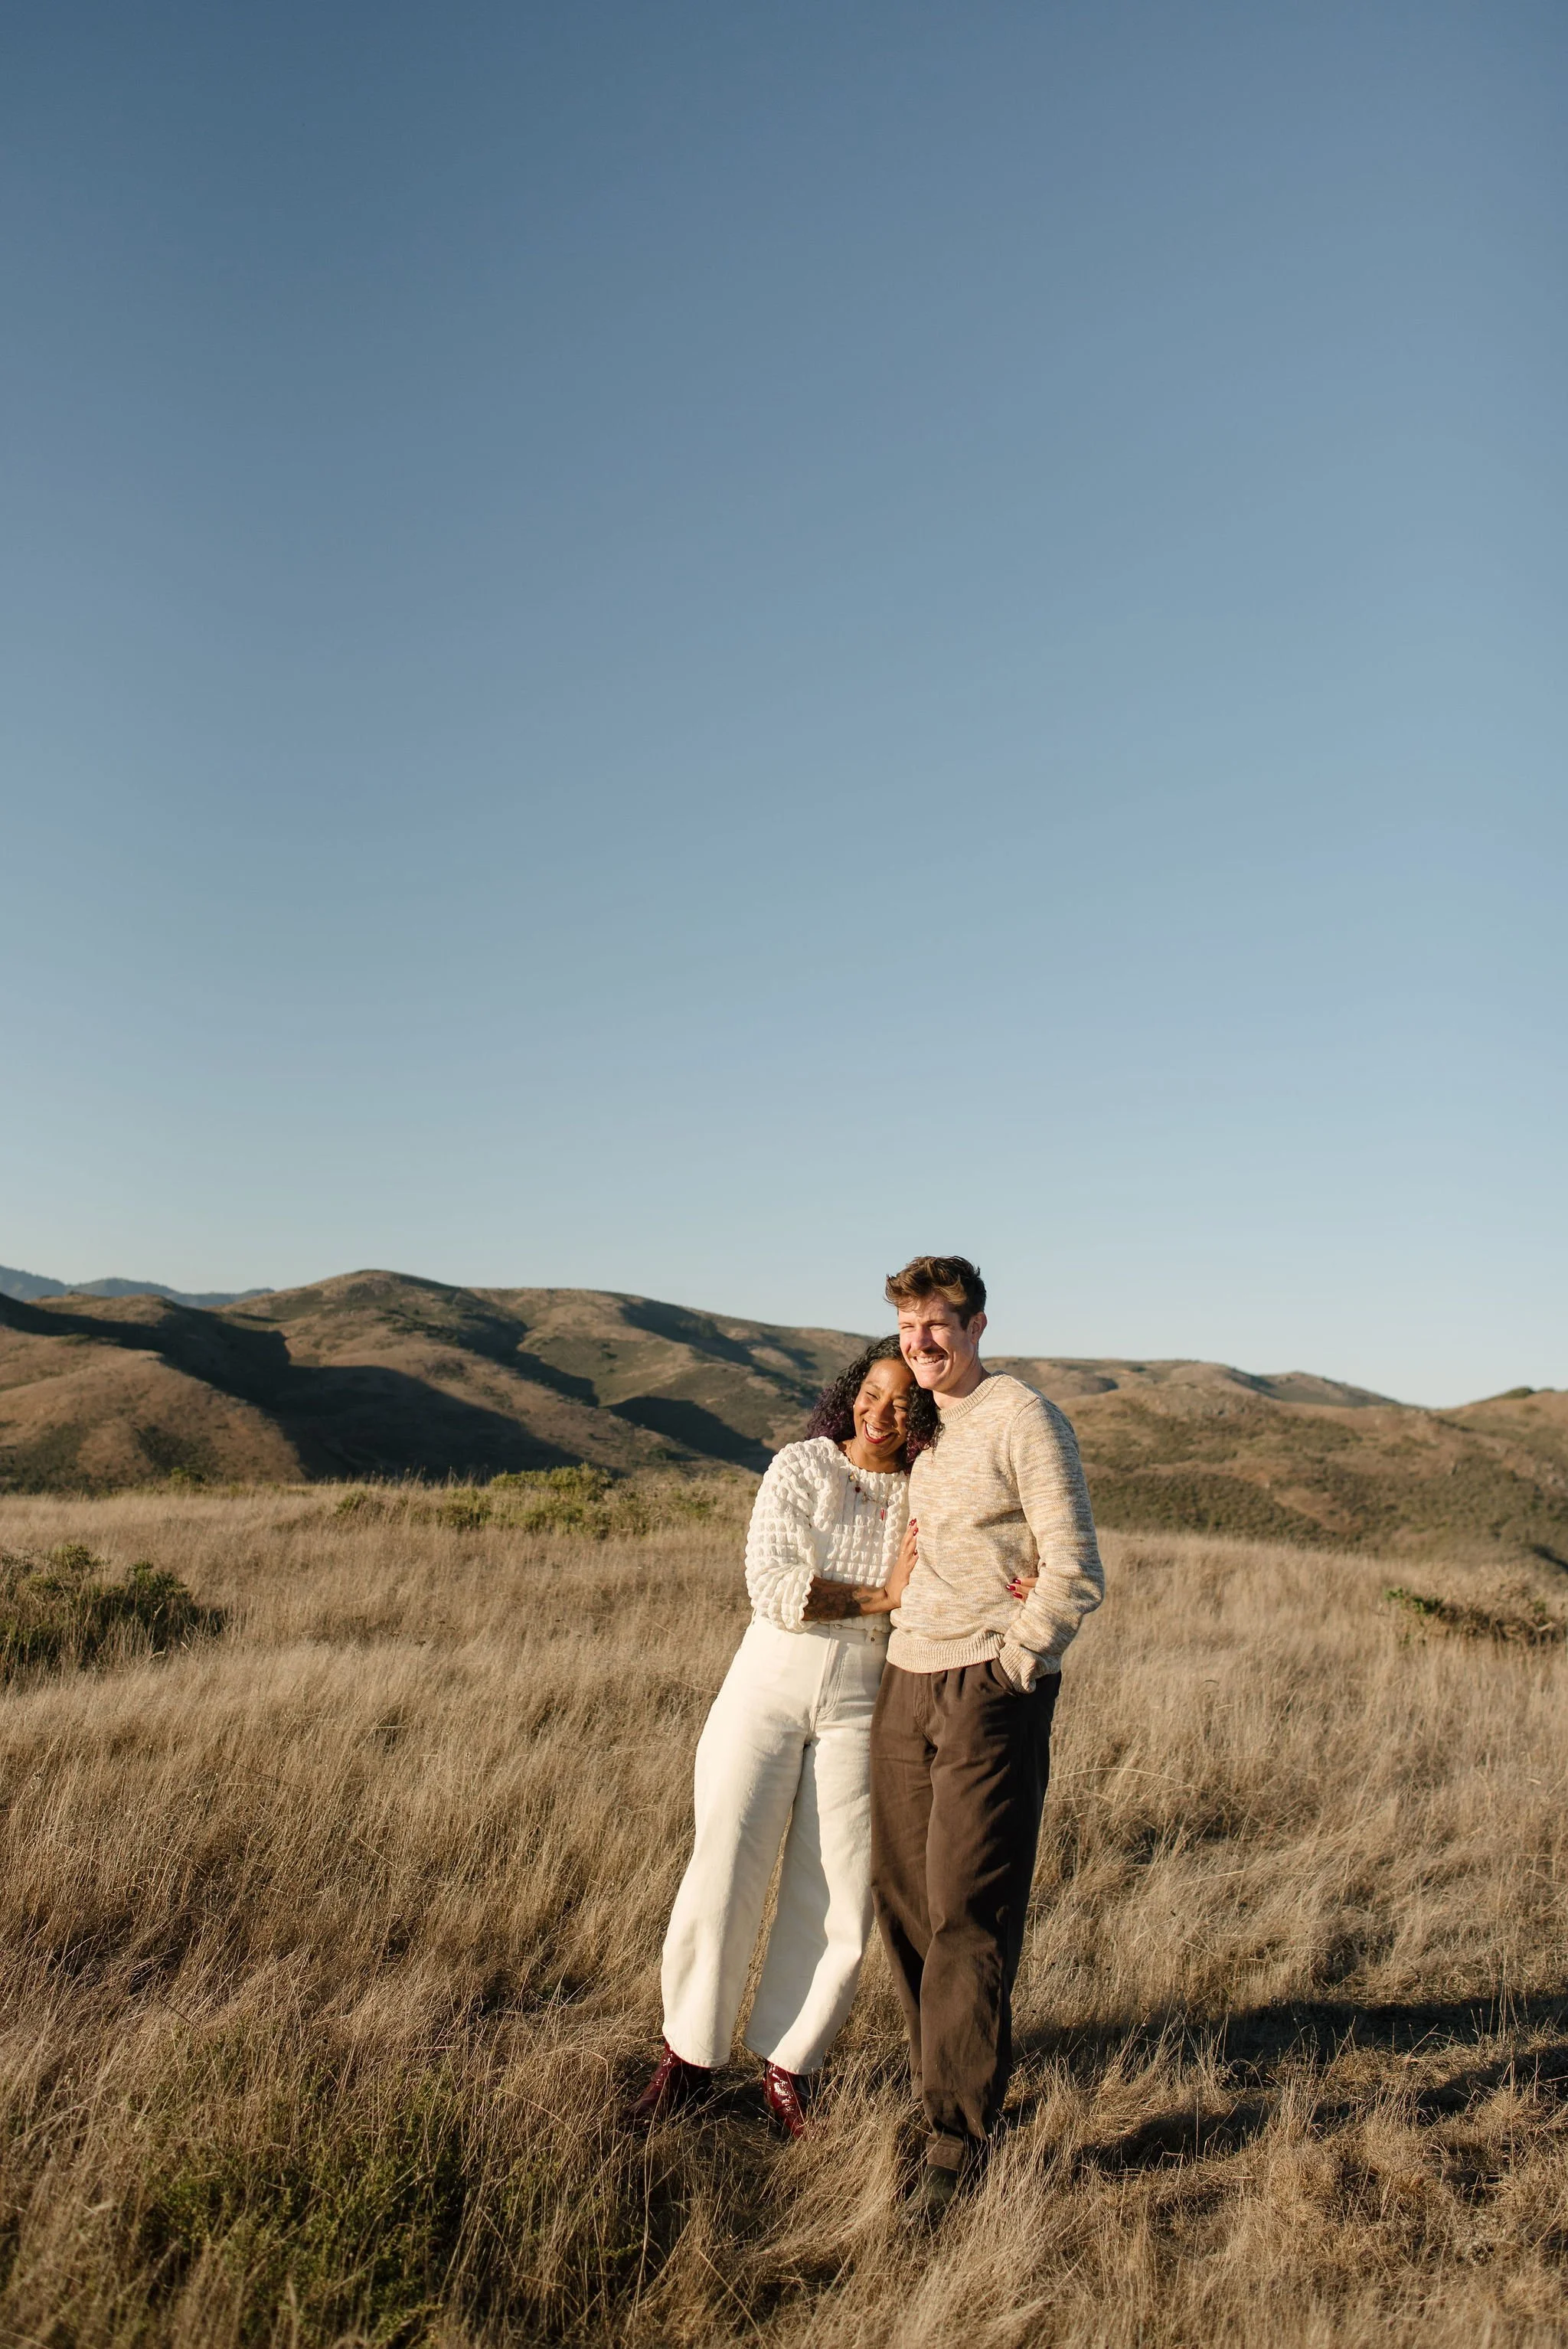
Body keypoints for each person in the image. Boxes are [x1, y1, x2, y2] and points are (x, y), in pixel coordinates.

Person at [633, 1338, 926, 2135]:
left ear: (922, 1414)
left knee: (836, 1890)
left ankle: (789, 2066)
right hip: (765, 1687)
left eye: (903, 1401)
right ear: (850, 1392)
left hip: (865, 1696)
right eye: (872, 1390)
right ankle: (688, 2056)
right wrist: (883, 1594)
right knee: (724, 1862)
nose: (881, 1411)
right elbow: (773, 1587)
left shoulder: (921, 1488)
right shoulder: (802, 1465)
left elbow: (939, 1582)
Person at [870, 1255, 1104, 2220]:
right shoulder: (926, 1424)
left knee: (968, 1905)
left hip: (982, 1684)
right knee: (904, 1899)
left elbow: (1075, 1563)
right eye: (907, 1327)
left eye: (939, 1324)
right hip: (904, 1675)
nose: (921, 1342)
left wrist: (1013, 1662)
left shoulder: (1020, 1415)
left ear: (974, 1325)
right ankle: (946, 2086)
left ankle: (956, 2136)